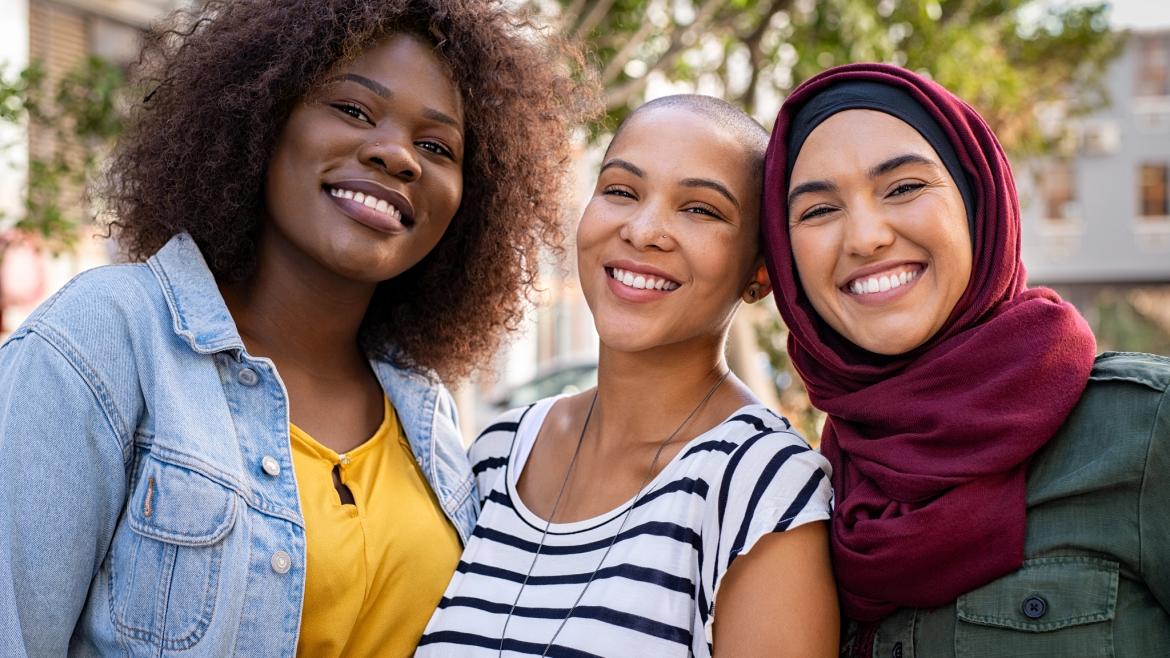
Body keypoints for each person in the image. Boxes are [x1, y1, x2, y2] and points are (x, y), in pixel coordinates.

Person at [0, 0, 595, 656]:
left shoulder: (427, 413)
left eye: (435, 146)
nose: (397, 155)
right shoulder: (105, 340)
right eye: (352, 109)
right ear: (260, 116)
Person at [761, 63, 1170, 657]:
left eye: (903, 187)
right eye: (819, 211)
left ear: (979, 203)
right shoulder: (801, 496)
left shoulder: (1145, 434)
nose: (866, 237)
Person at [417, 95, 839, 658]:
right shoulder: (500, 452)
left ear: (761, 272)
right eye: (620, 191)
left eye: (700, 209)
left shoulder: (764, 485)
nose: (643, 231)